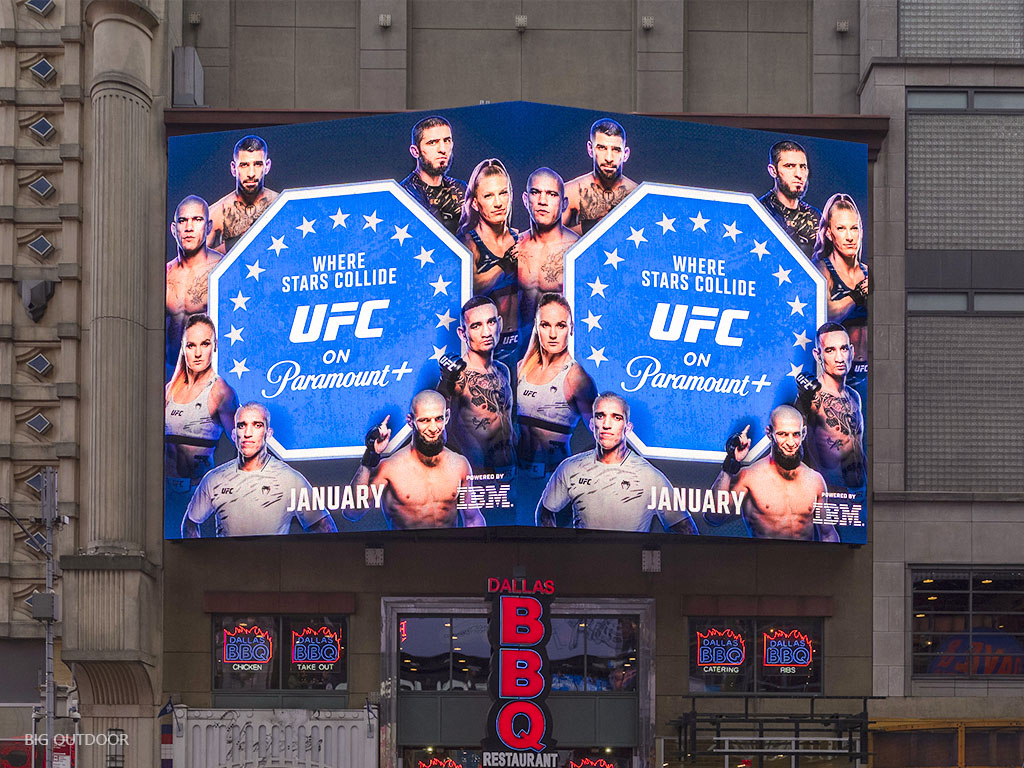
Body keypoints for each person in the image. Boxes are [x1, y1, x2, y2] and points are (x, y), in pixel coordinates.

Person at [536, 392, 698, 533]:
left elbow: (687, 530)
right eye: (600, 416)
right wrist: (554, 551)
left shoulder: (649, 476)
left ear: (628, 428)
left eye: (616, 417)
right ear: (592, 425)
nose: (606, 425)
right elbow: (545, 511)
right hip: (583, 557)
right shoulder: (570, 468)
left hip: (631, 558)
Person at [182, 402, 338, 537]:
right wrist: (203, 559)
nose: (248, 433)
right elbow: (190, 523)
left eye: (257, 425)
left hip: (275, 561)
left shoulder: (290, 479)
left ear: (268, 434)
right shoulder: (214, 479)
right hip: (226, 562)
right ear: (234, 435)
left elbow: (326, 528)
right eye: (242, 426)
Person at [348, 390, 484, 529]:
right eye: (424, 420)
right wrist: (370, 455)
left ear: (447, 417)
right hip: (406, 543)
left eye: (438, 419)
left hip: (448, 542)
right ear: (410, 421)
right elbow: (353, 513)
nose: (433, 428)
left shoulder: (459, 464)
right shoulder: (389, 468)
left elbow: (473, 519)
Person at [708, 406, 839, 542]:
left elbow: (828, 533)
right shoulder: (750, 477)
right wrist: (730, 463)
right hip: (764, 554)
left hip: (804, 555)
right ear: (769, 433)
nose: (791, 443)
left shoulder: (815, 480)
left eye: (796, 434)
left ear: (803, 433)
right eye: (782, 434)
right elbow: (714, 517)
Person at [165, 314, 239, 536]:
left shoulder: (220, 391)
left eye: (204, 344)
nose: (197, 353)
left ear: (214, 346)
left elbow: (244, 445)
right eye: (191, 345)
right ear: (183, 347)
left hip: (198, 497)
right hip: (166, 498)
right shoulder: (169, 389)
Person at [517, 293, 597, 477]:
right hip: (519, 477)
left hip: (555, 478)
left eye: (560, 325)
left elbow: (603, 436)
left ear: (571, 328)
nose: (553, 334)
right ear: (537, 327)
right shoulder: (522, 368)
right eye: (546, 325)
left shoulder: (576, 378)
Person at [439, 296, 515, 475]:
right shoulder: (458, 376)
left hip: (510, 473)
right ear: (462, 333)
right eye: (476, 326)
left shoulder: (503, 370)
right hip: (477, 475)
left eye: (491, 322)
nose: (486, 332)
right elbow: (434, 416)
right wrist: (444, 382)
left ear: (500, 324)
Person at [457, 159, 519, 362]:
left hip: (522, 342)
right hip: (487, 348)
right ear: (475, 203)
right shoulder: (469, 243)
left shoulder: (521, 238)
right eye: (489, 196)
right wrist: (504, 265)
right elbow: (470, 287)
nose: (498, 203)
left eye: (503, 193)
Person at [795, 323, 866, 489]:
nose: (839, 358)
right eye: (830, 350)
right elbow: (791, 428)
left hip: (859, 495)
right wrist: (802, 398)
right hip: (828, 493)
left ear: (852, 351)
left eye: (844, 349)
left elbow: (858, 449)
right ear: (817, 355)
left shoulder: (854, 397)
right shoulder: (813, 396)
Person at [812, 193, 868, 384]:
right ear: (829, 233)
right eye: (841, 229)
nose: (849, 237)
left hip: (869, 371)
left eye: (854, 228)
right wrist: (857, 295)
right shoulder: (822, 269)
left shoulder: (868, 273)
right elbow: (825, 315)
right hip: (835, 374)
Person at [517, 168, 579, 341]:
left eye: (552, 194)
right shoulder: (514, 246)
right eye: (535, 192)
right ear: (525, 199)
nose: (542, 201)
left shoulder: (577, 250)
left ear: (564, 204)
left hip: (562, 346)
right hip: (519, 348)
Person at [166, 195, 221, 377]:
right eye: (183, 221)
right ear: (174, 229)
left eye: (197, 220)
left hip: (211, 375)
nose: (189, 228)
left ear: (209, 227)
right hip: (169, 376)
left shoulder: (221, 269)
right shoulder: (165, 275)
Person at [563, 118, 636, 235]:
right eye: (601, 148)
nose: (609, 158)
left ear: (626, 154)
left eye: (616, 150)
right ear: (590, 149)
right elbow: (549, 238)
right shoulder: (571, 191)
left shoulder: (637, 194)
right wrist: (591, 227)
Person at [207, 135, 278, 253]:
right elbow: (197, 260)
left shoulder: (279, 204)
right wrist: (230, 247)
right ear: (233, 168)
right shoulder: (216, 213)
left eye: (258, 164)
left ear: (267, 166)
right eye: (244, 165)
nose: (251, 174)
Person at [400, 116, 467, 235]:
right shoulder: (405, 193)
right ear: (415, 151)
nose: (442, 149)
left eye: (446, 141)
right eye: (432, 142)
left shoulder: (460, 188)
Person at [758, 140, 821, 258]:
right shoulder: (760, 211)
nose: (799, 174)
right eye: (790, 166)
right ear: (773, 171)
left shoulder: (815, 216)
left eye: (803, 167)